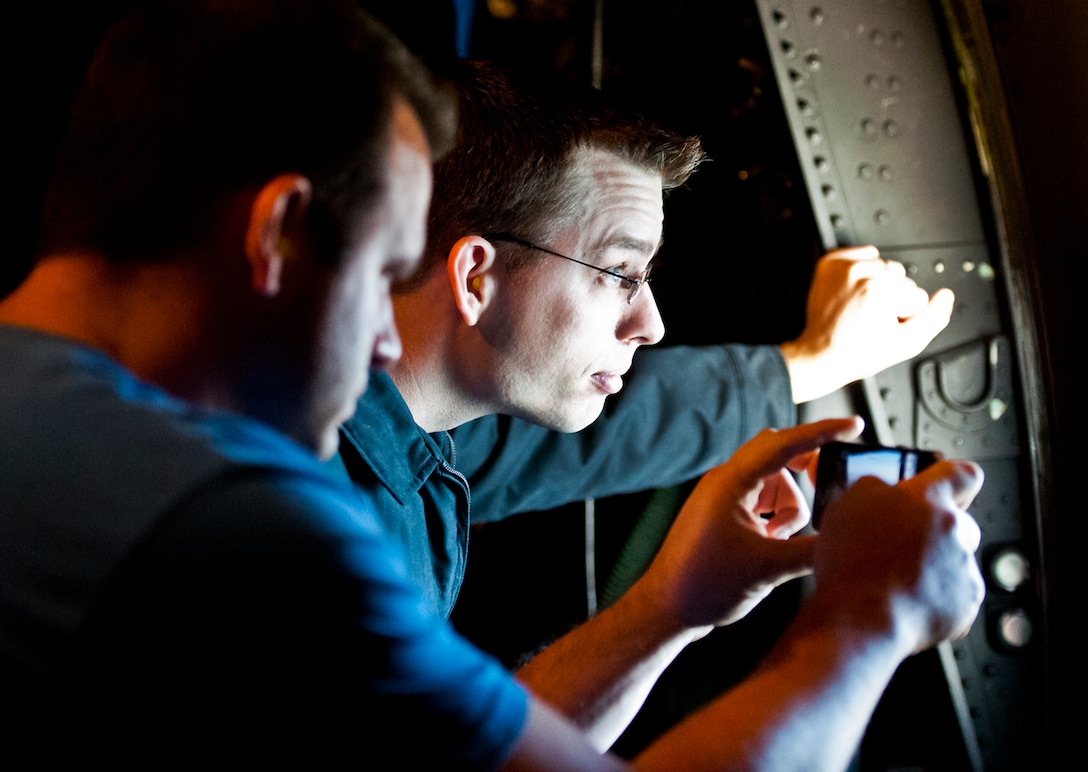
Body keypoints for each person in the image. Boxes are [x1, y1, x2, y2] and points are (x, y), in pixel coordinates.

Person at [0, 1, 984, 767]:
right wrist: (866, 620)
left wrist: (667, 605)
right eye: (386, 270)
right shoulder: (232, 522)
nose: (388, 332)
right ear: (278, 233)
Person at [332, 60, 958, 620]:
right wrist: (871, 624)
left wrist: (807, 366)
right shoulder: (331, 539)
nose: (651, 324)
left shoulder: (410, 441)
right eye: (618, 274)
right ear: (476, 277)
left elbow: (581, 442)